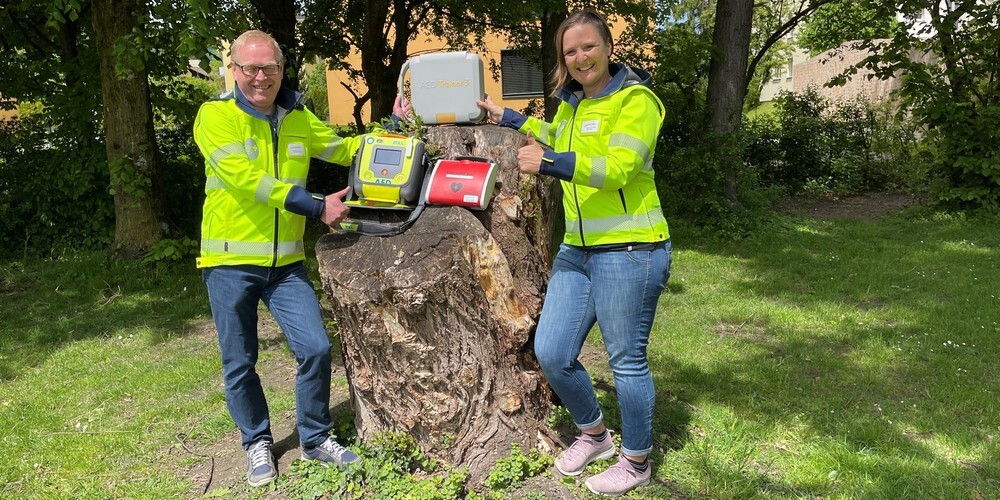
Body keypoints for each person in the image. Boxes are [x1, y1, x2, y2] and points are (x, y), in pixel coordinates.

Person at [193, 29, 410, 487]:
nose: (259, 77)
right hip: (229, 261)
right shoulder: (215, 116)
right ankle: (256, 442)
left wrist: (389, 130)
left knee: (315, 347)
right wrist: (316, 205)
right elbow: (244, 180)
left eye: (268, 67)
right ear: (234, 70)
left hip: (285, 263)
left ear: (281, 69)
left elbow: (341, 147)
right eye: (249, 67)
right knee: (240, 361)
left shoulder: (296, 115)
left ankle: (314, 438)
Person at [477, 10, 671, 497]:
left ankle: (636, 460)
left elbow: (619, 167)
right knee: (553, 350)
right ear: (563, 60)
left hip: (631, 249)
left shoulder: (636, 100)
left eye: (588, 46)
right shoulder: (572, 103)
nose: (581, 57)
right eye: (570, 51)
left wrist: (551, 164)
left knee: (626, 360)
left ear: (607, 46)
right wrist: (511, 119)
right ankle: (595, 435)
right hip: (578, 251)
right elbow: (557, 134)